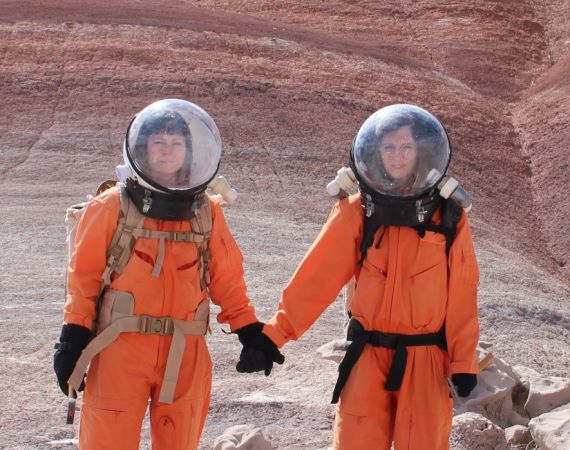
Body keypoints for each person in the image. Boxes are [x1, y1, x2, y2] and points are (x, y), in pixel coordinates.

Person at [237, 104, 480, 450]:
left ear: (420, 152)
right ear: (376, 153)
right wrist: (272, 336)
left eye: (406, 147)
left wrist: (463, 362)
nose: (397, 157)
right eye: (389, 147)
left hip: (426, 357)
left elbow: (462, 296)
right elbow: (316, 278)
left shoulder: (448, 219)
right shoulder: (357, 211)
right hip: (368, 356)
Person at [53, 98, 283, 450]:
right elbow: (83, 279)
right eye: (158, 142)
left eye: (176, 143)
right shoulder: (110, 206)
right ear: (142, 149)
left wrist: (250, 333)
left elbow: (227, 279)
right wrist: (72, 339)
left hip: (186, 350)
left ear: (188, 152)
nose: (166, 151)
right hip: (119, 349)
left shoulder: (206, 212)